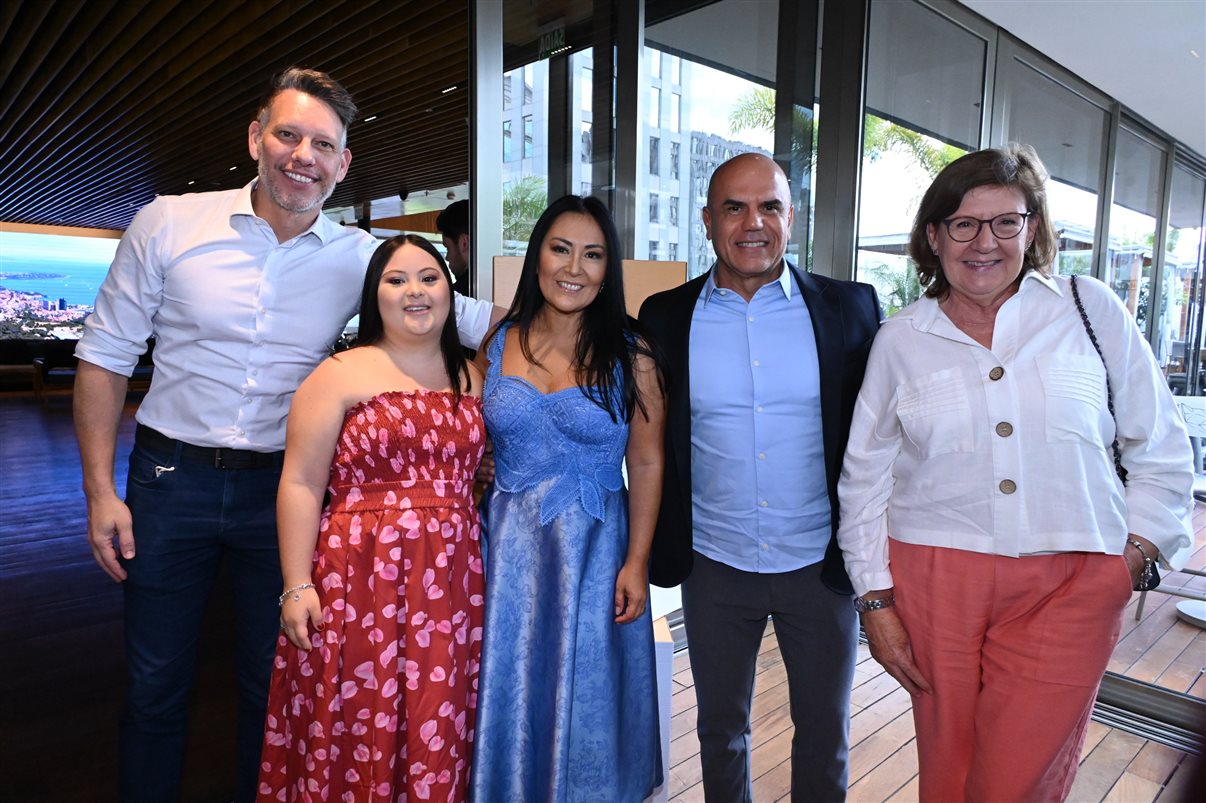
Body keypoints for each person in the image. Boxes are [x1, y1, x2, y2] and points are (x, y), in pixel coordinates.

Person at [73, 67, 496, 802]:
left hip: (286, 490)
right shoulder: (169, 222)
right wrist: (99, 490)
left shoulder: (366, 259)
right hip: (170, 483)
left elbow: (477, 317)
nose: (303, 155)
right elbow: (106, 356)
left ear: (343, 163)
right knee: (155, 683)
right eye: (288, 134)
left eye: (322, 144)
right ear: (255, 138)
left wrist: (612, 322)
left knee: (270, 683)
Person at [836, 143, 1195, 801]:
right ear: (935, 236)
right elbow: (866, 478)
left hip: (1072, 580)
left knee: (1015, 779)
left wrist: (1133, 556)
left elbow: (1162, 444)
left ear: (1033, 229)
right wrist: (876, 599)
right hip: (934, 578)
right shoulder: (901, 339)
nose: (986, 241)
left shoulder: (1089, 310)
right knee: (949, 769)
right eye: (964, 223)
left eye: (1007, 220)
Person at [638, 152, 881, 802]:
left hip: (821, 567)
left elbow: (884, 438)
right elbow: (642, 437)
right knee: (720, 729)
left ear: (790, 217)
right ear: (708, 220)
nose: (754, 222)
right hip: (713, 564)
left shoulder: (852, 309)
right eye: (735, 207)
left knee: (825, 732)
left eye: (770, 205)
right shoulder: (664, 318)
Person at [257, 235, 485, 801]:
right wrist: (295, 584)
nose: (416, 291)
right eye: (397, 279)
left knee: (439, 716)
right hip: (359, 579)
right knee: (357, 715)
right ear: (374, 295)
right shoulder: (337, 373)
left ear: (449, 291)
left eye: (430, 278)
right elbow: (301, 483)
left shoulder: (474, 377)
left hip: (451, 587)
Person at [470, 194, 665, 801]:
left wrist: (636, 562)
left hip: (595, 553)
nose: (574, 268)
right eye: (561, 249)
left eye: (593, 254)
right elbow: (470, 437)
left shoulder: (633, 355)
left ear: (609, 271)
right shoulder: (499, 342)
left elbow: (649, 459)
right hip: (501, 556)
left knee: (588, 693)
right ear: (537, 258)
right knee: (505, 688)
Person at [437, 199, 471, 292]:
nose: (447, 258)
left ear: (464, 243)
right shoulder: (507, 285)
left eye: (448, 248)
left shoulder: (453, 299)